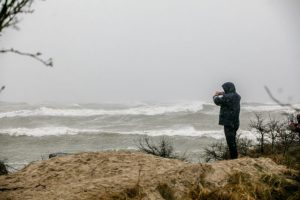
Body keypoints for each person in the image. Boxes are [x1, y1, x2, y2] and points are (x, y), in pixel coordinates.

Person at [213, 82, 241, 159]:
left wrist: (215, 95)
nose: (223, 90)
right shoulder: (237, 96)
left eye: (224, 89)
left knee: (230, 142)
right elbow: (231, 94)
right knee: (233, 141)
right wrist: (223, 93)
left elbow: (217, 101)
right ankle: (234, 157)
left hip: (229, 123)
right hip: (235, 122)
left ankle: (234, 159)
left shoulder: (228, 97)